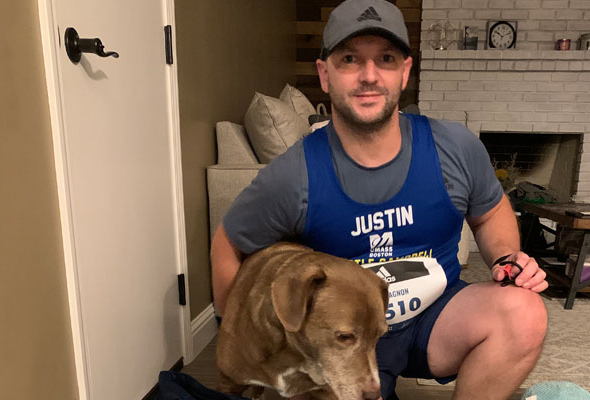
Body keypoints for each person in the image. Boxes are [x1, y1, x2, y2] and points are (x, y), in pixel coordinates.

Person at [211, 0, 548, 398]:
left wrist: (508, 260)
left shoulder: (453, 146)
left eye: (385, 59)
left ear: (404, 72)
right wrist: (244, 335)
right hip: (344, 334)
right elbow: (228, 245)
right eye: (350, 59)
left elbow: (490, 213)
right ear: (325, 74)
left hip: (438, 319)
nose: (369, 76)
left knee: (524, 313)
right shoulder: (293, 175)